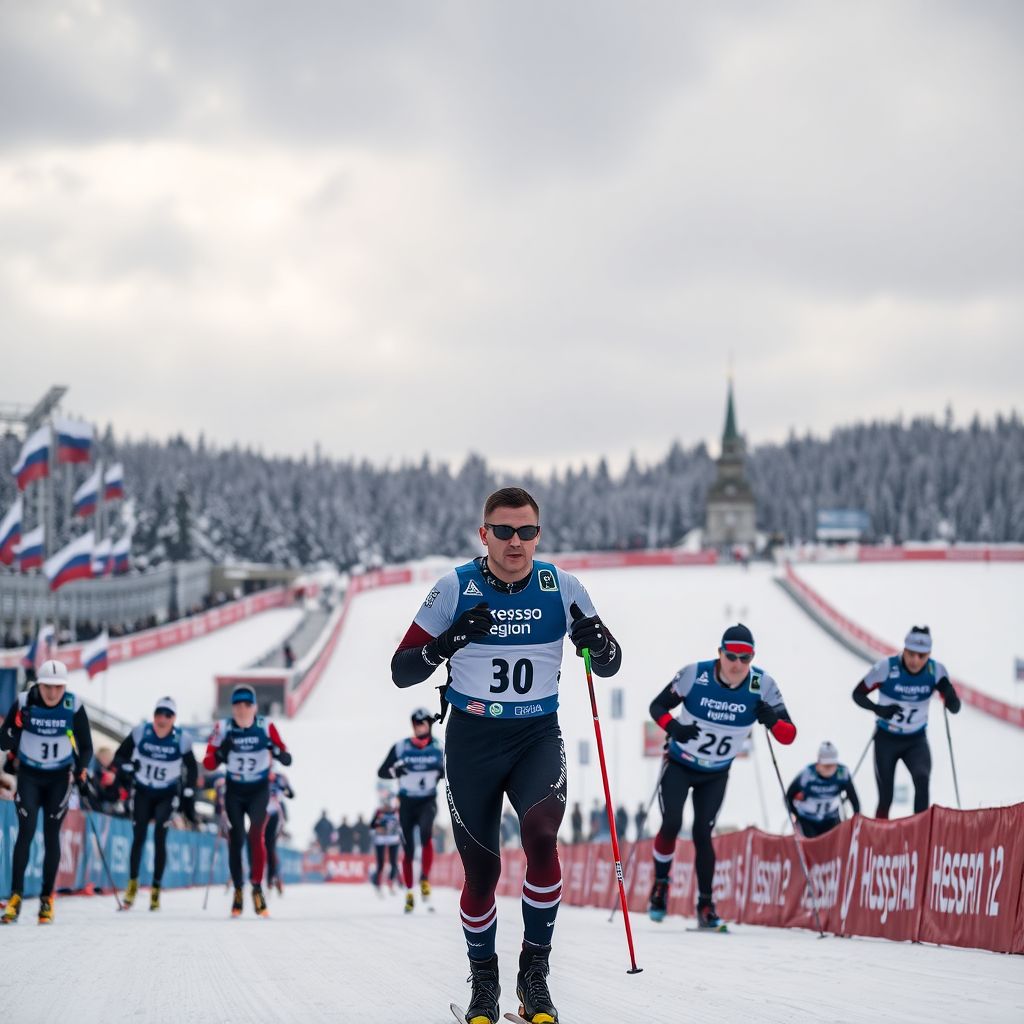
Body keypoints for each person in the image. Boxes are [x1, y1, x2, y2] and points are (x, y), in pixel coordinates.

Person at [391, 486, 622, 1024]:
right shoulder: (454, 587)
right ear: (484, 534)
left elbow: (607, 664)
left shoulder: (562, 587)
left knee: (542, 840)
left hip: (536, 736)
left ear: (538, 534)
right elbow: (403, 671)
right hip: (472, 741)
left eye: (526, 531)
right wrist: (445, 643)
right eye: (503, 531)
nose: (515, 542)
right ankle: (485, 982)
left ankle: (534, 975)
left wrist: (599, 641)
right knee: (481, 870)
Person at [646, 623, 796, 929]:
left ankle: (705, 905)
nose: (738, 664)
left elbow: (789, 735)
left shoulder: (762, 684)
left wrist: (772, 722)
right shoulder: (694, 675)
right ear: (720, 653)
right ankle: (661, 884)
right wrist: (674, 728)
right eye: (732, 656)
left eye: (746, 657)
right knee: (672, 823)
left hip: (715, 773)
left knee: (703, 833)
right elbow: (657, 706)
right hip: (679, 763)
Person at [0, 659, 93, 925]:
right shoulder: (24, 701)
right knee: (26, 831)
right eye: (48, 687)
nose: (53, 693)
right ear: (38, 685)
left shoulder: (72, 705)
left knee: (52, 837)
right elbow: (3, 741)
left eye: (58, 687)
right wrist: (16, 724)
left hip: (58, 779)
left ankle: (46, 899)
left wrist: (82, 768)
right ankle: (15, 897)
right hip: (29, 775)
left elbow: (86, 747)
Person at [852, 625, 960, 818]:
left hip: (915, 740)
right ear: (904, 649)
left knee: (922, 780)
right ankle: (880, 840)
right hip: (886, 738)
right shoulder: (886, 667)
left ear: (929, 654)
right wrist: (878, 709)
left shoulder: (936, 671)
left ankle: (919, 837)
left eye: (922, 656)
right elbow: (857, 694)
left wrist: (951, 696)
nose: (915, 660)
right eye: (911, 654)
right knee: (886, 796)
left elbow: (954, 707)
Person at [203, 684, 291, 918]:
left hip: (258, 790)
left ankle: (257, 888)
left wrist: (278, 751)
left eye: (247, 705)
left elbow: (286, 755)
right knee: (236, 838)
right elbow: (208, 763)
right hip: (234, 789)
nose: (242, 710)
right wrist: (222, 752)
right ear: (232, 708)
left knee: (256, 837)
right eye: (238, 705)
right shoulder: (223, 727)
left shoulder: (266, 726)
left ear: (254, 707)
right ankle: (238, 891)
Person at [107, 696, 198, 910]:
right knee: (138, 838)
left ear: (174, 718)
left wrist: (188, 789)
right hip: (143, 792)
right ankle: (132, 887)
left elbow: (192, 768)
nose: (162, 719)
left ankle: (155, 890)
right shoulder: (141, 732)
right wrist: (127, 768)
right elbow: (119, 757)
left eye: (167, 715)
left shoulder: (181, 739)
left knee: (159, 836)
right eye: (159, 713)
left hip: (166, 793)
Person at [377, 707, 444, 913]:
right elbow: (382, 772)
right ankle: (408, 892)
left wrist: (443, 772)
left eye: (422, 724)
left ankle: (424, 877)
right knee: (408, 849)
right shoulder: (401, 747)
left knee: (425, 834)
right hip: (406, 802)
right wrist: (395, 770)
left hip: (427, 801)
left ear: (429, 725)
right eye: (415, 724)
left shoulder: (439, 747)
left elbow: (452, 771)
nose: (418, 728)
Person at [785, 741, 860, 837]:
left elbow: (853, 797)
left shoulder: (842, 774)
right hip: (807, 820)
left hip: (831, 819)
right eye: (826, 765)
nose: (829, 769)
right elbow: (789, 796)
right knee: (811, 846)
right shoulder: (807, 774)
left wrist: (856, 817)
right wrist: (796, 815)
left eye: (833, 765)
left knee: (835, 845)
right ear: (818, 763)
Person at [265, 769, 294, 895]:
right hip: (259, 812)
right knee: (259, 845)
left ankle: (272, 877)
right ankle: (269, 875)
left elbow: (291, 794)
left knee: (270, 846)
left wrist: (282, 790)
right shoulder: (259, 773)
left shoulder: (280, 777)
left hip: (275, 814)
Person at [370, 794, 401, 894]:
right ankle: (377, 884)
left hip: (393, 839)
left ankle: (391, 882)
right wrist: (379, 828)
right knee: (381, 863)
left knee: (394, 863)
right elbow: (372, 825)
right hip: (381, 839)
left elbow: (403, 823)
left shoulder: (397, 811)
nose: (388, 807)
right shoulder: (379, 811)